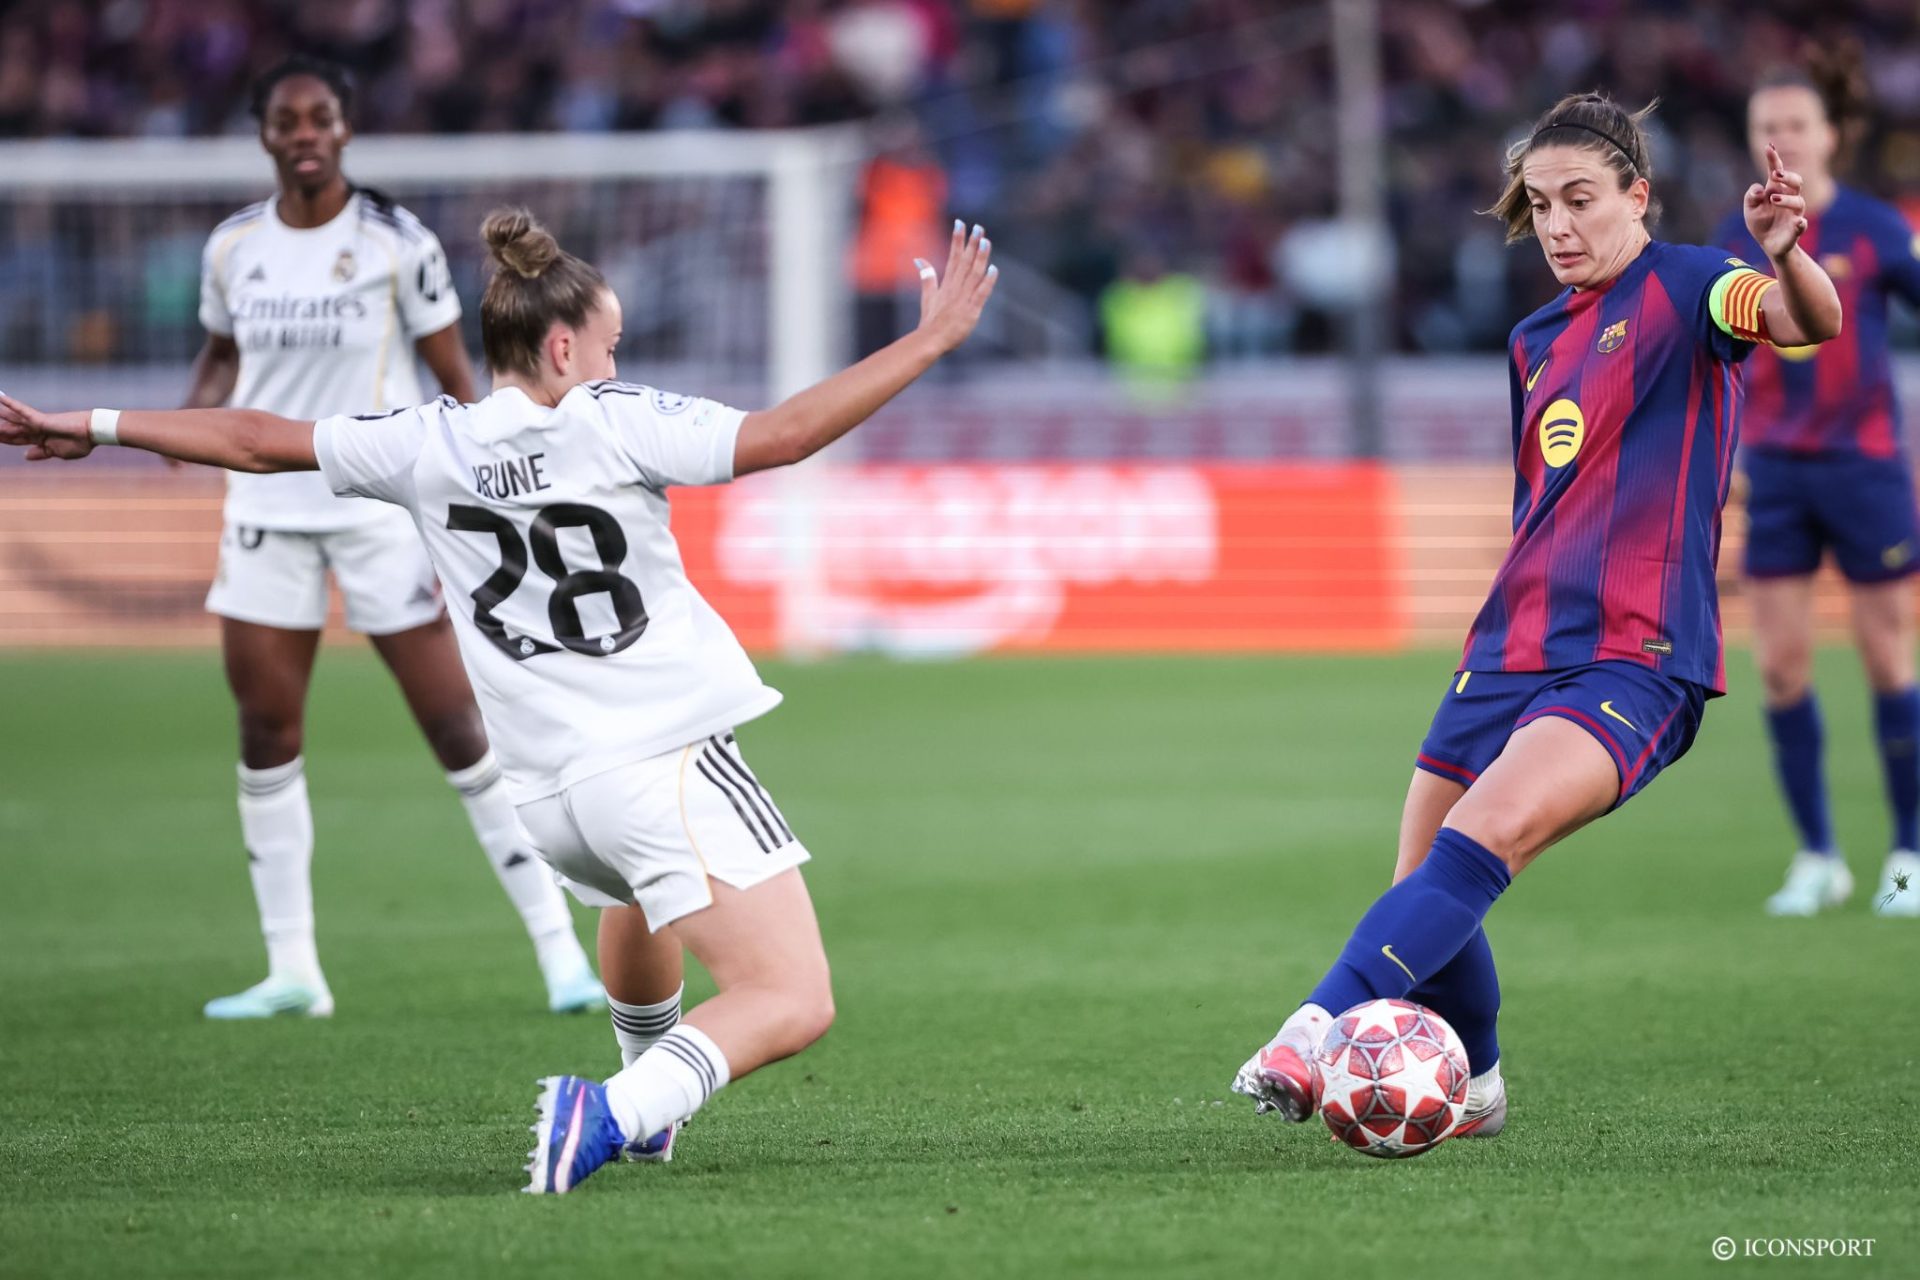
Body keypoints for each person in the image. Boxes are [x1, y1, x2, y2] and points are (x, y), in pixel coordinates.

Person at [0, 209, 999, 1193]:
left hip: (554, 802)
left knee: (636, 897)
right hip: (663, 761)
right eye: (608, 346)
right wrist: (929, 339)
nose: (615, 364)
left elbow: (259, 438)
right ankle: (611, 1112)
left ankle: (644, 1102)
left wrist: (92, 425)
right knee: (792, 994)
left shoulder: (428, 441)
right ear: (563, 346)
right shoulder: (616, 420)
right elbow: (783, 436)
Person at [1228, 93, 1841, 1134]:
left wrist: (1785, 253)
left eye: (1581, 200)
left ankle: (1316, 1022)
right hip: (1506, 648)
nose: (1558, 225)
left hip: (1634, 654)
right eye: (1542, 204)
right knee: (1428, 875)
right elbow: (1541, 500)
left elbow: (1806, 322)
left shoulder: (1694, 285)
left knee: (1487, 834)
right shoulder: (1531, 341)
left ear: (1637, 197)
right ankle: (1482, 1081)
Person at [184, 55, 605, 1020]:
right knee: (265, 732)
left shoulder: (395, 243)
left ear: (344, 129)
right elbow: (219, 356)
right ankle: (294, 969)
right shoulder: (232, 248)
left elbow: (453, 370)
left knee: (458, 728)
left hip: (379, 507)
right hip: (266, 508)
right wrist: (190, 418)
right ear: (264, 134)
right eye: (286, 120)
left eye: (319, 117)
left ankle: (559, 957)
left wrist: (500, 466)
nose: (303, 134)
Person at [1713, 46, 1920, 919]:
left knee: (1886, 660)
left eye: (1796, 124)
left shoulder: (1875, 229)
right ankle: (1818, 856)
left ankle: (1907, 858)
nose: (1782, 138)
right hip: (1778, 478)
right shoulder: (1731, 237)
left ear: (1830, 136)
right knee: (1784, 669)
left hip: (1866, 470)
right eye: (1767, 127)